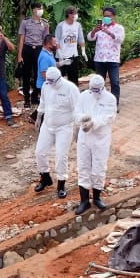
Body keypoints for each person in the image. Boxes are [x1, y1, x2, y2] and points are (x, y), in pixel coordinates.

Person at [33, 66, 81, 199]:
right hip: (48, 125)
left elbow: (78, 109)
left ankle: (61, 184)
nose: (50, 84)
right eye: (48, 81)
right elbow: (42, 102)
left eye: (52, 81)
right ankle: (45, 177)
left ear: (59, 79)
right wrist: (38, 117)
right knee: (40, 152)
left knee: (61, 156)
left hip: (64, 127)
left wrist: (77, 129)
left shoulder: (70, 89)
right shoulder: (46, 85)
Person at [74, 74, 117, 214]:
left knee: (99, 167)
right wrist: (83, 120)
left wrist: (94, 123)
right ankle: (84, 201)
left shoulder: (110, 99)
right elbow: (77, 113)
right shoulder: (84, 96)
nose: (94, 93)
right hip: (85, 137)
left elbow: (109, 117)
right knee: (83, 166)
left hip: (100, 138)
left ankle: (97, 197)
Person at [88, 6, 125, 105]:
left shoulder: (119, 28)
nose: (106, 18)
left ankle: (114, 104)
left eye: (108, 16)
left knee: (115, 83)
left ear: (113, 16)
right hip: (100, 59)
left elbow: (120, 39)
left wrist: (108, 32)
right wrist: (94, 31)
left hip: (112, 59)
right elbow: (90, 38)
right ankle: (99, 103)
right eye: (104, 16)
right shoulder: (99, 27)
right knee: (99, 83)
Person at [17, 1, 50, 109]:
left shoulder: (45, 23)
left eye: (42, 8)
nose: (41, 10)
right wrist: (20, 55)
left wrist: (47, 54)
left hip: (39, 50)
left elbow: (46, 41)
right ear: (34, 9)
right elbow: (21, 39)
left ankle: (35, 96)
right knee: (26, 74)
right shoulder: (25, 23)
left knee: (38, 74)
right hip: (27, 49)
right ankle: (26, 98)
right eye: (39, 8)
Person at [55, 5, 87, 85]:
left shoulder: (78, 25)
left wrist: (83, 51)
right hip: (62, 56)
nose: (75, 15)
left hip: (73, 56)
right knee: (59, 78)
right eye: (73, 14)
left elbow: (81, 39)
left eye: (76, 13)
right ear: (68, 14)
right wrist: (59, 53)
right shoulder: (61, 25)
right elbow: (57, 40)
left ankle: (74, 95)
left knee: (73, 79)